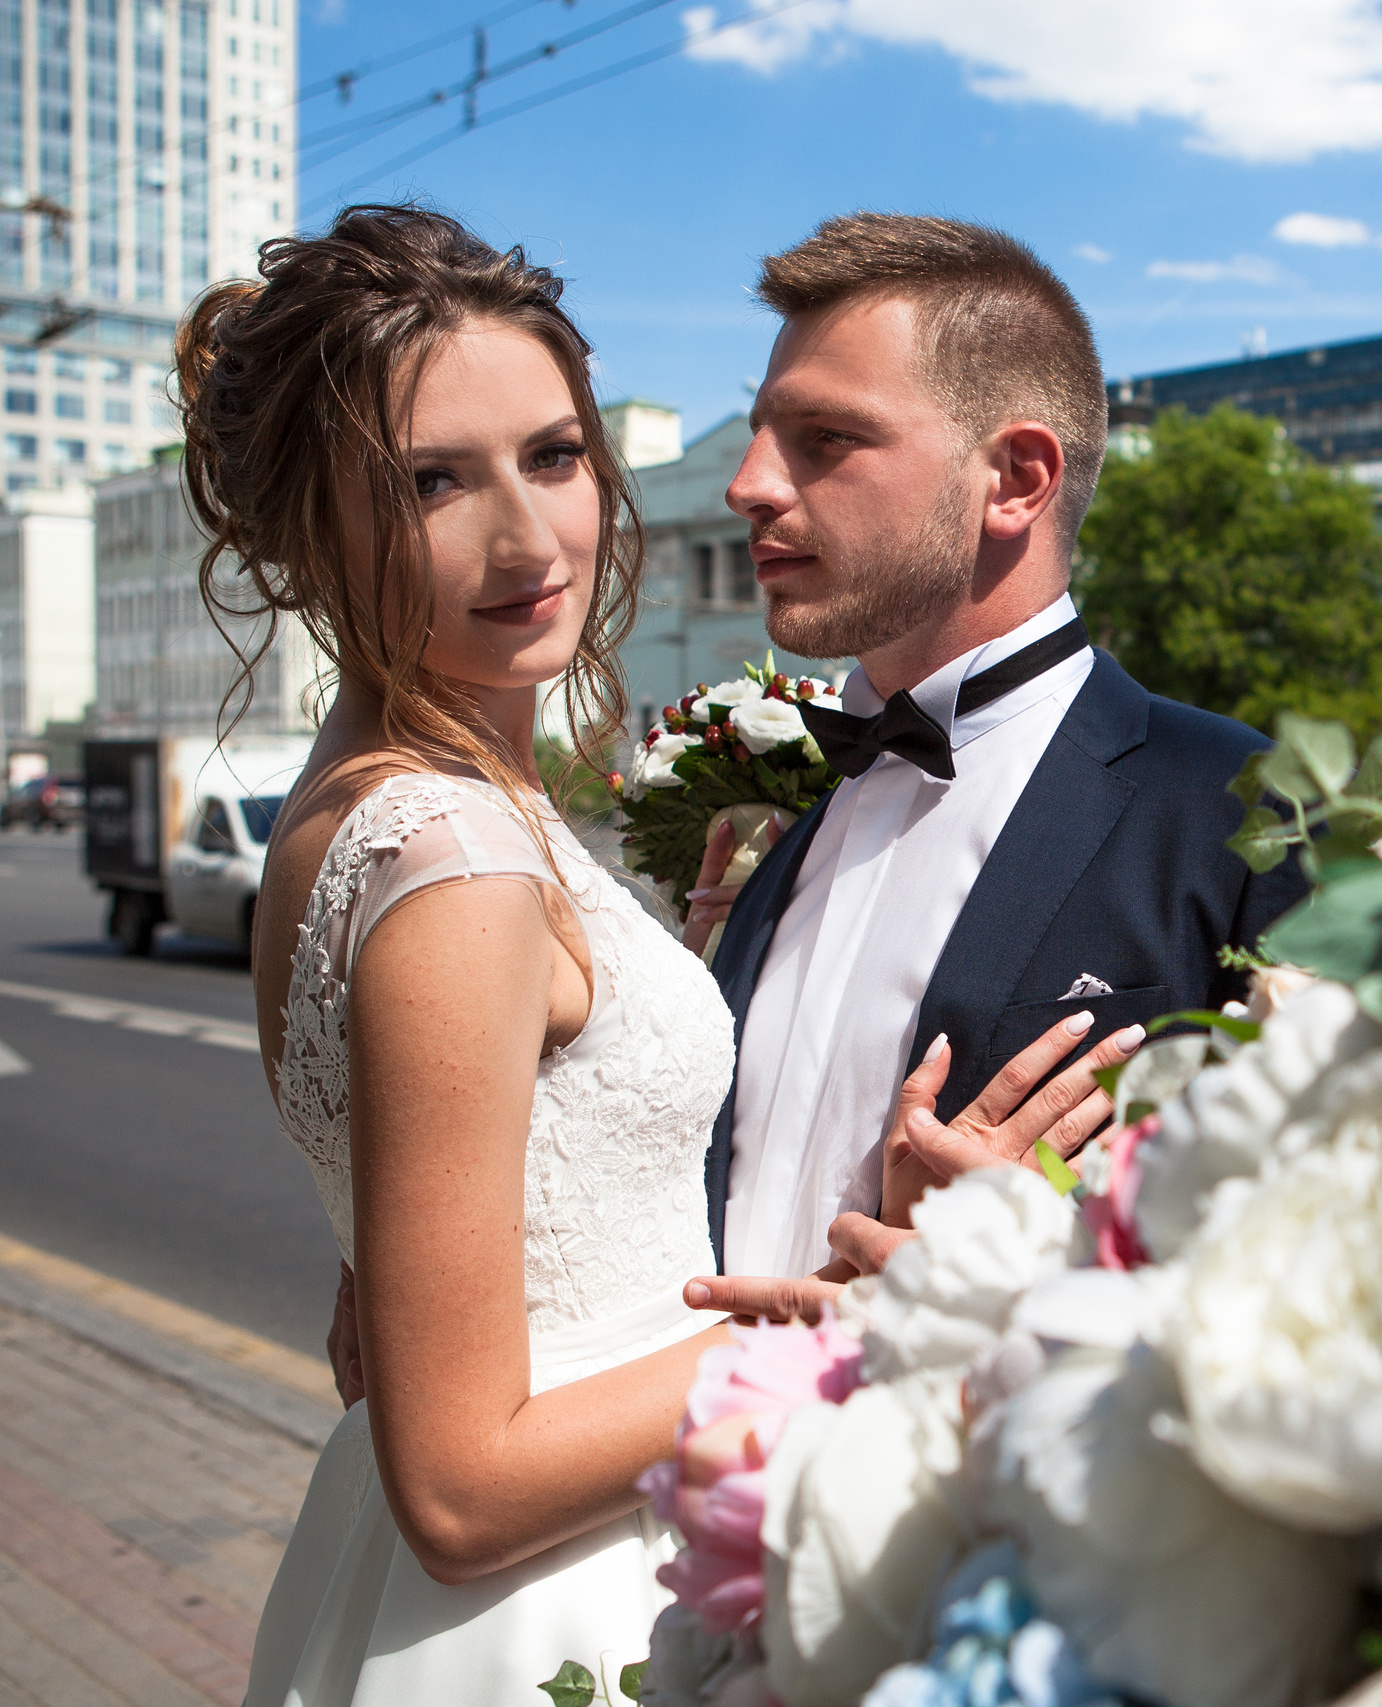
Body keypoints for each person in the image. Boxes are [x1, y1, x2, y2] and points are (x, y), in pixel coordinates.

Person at [215, 205, 1130, 1706]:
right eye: (431, 481)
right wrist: (864, 1314)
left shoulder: (377, 801)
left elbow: (517, 1145)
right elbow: (457, 1486)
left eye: (554, 455)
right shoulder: (451, 855)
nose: (528, 540)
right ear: (312, 528)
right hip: (553, 1587)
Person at [679, 214, 1309, 1316]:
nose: (747, 486)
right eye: (756, 436)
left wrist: (1037, 1268)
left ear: (1016, 479)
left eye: (822, 439)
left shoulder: (1242, 812)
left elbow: (1337, 1281)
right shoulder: (785, 824)